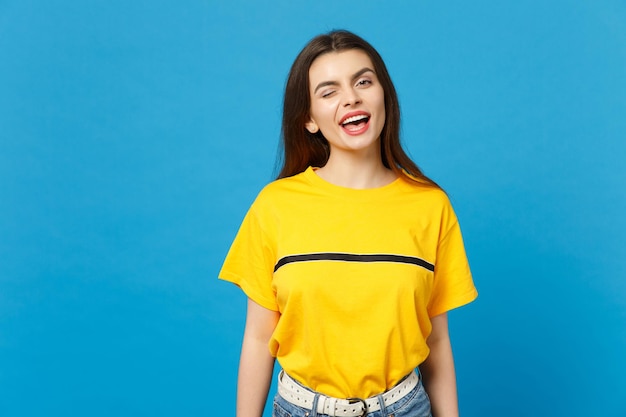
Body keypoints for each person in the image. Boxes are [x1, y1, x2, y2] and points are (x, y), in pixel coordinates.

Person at [219, 30, 478, 417]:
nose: (351, 97)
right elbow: (258, 339)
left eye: (363, 81)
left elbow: (436, 342)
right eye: (328, 91)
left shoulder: (430, 206)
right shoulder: (275, 206)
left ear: (383, 96)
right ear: (308, 119)